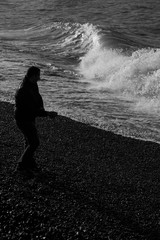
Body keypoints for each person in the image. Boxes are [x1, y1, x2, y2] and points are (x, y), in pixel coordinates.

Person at [14, 66, 57, 171]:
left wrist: (42, 108)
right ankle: (21, 164)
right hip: (23, 119)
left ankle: (29, 162)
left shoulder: (32, 84)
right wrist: (46, 113)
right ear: (32, 76)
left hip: (28, 117)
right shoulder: (23, 90)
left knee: (29, 141)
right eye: (38, 75)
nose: (39, 78)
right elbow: (30, 109)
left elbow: (37, 98)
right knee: (34, 142)